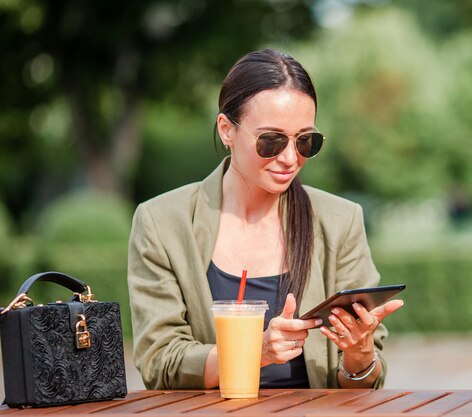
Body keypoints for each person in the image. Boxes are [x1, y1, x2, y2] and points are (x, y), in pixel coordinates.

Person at [127, 48, 404, 390]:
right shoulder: (162, 222)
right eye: (271, 140)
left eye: (306, 141)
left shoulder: (340, 221)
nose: (290, 158)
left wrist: (359, 354)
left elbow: (364, 386)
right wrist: (254, 351)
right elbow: (160, 364)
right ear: (227, 130)